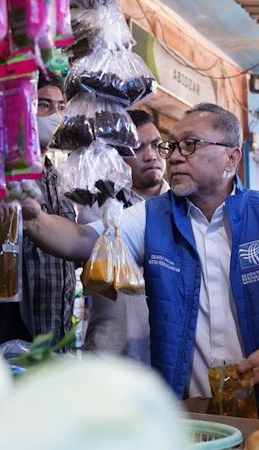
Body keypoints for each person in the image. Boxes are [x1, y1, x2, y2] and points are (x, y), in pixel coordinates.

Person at [20, 102, 259, 402]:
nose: (173, 157)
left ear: (232, 157)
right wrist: (32, 218)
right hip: (189, 415)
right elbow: (82, 240)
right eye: (172, 146)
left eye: (189, 145)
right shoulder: (151, 217)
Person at [0, 72, 78, 345]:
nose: (55, 115)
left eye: (61, 107)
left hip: (54, 329)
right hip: (5, 331)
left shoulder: (62, 180)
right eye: (44, 105)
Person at [80, 110, 169, 364]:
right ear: (116, 158)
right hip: (113, 355)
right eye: (137, 148)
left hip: (174, 358)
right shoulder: (98, 209)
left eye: (155, 145)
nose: (151, 155)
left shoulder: (184, 208)